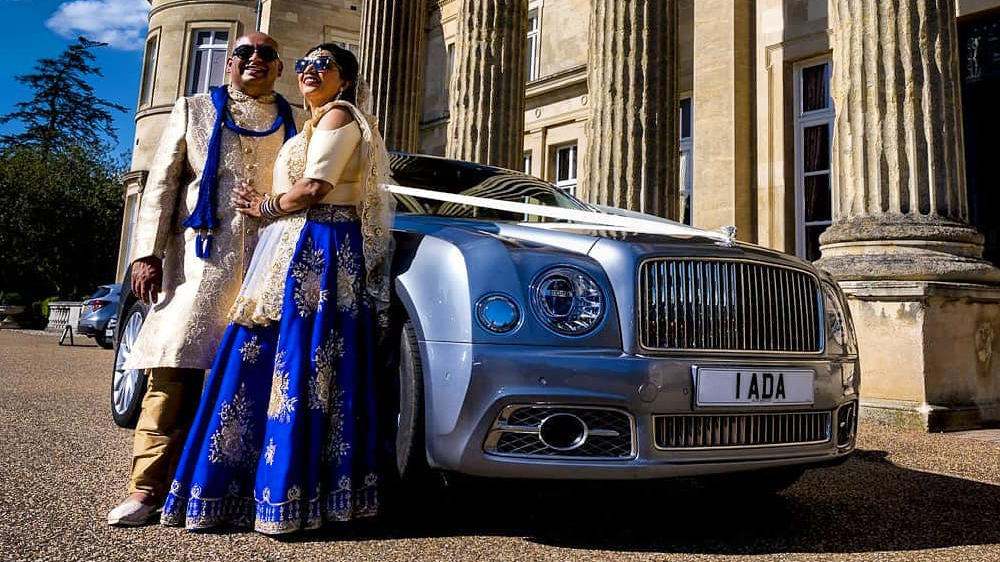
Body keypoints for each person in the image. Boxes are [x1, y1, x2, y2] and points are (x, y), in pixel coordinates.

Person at [159, 43, 395, 534]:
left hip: (321, 251)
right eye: (306, 63)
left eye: (324, 64)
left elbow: (314, 189)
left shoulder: (338, 119)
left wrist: (265, 206)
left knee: (299, 365)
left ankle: (284, 494)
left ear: (345, 80)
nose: (311, 70)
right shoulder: (311, 124)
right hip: (299, 246)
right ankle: (255, 492)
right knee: (275, 362)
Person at [108, 32, 306, 527]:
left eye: (265, 54)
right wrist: (147, 253)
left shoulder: (293, 121)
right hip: (198, 263)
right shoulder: (194, 109)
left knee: (257, 377)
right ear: (229, 64)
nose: (254, 59)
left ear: (278, 67)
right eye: (243, 52)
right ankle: (145, 489)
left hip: (266, 263)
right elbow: (164, 181)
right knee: (171, 372)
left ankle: (231, 490)